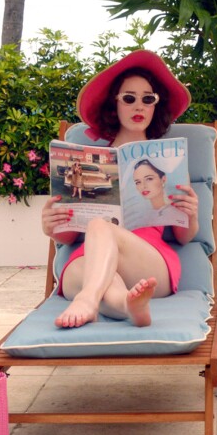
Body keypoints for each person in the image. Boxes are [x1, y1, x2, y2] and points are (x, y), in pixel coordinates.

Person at [40, 51, 199, 329]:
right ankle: (127, 305)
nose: (139, 106)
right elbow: (67, 237)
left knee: (100, 227)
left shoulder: (167, 162)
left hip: (149, 261)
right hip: (93, 261)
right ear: (115, 105)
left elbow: (184, 238)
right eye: (129, 98)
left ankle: (88, 300)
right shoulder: (86, 161)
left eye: (147, 99)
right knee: (87, 267)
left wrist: (191, 214)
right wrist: (51, 224)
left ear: (154, 106)